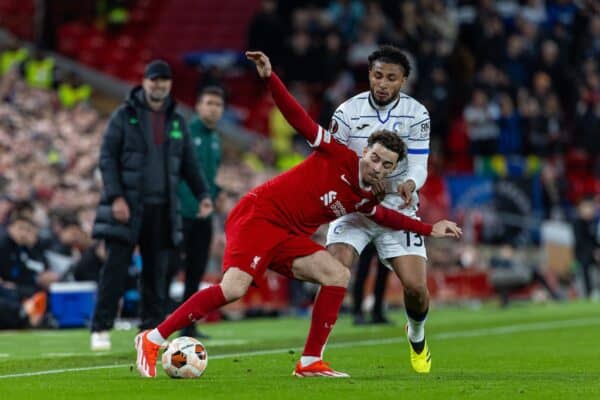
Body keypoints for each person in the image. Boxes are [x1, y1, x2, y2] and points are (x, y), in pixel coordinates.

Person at [134, 51, 461, 378]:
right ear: (365, 151)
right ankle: (152, 338)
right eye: (374, 157)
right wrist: (270, 78)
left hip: (286, 235)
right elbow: (296, 116)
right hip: (259, 216)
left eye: (385, 165)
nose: (377, 166)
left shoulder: (363, 199)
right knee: (234, 289)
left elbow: (389, 218)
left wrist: (430, 228)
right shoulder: (336, 153)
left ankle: (309, 361)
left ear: (391, 170)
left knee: (337, 275)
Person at [325, 45, 435, 373]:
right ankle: (313, 355)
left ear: (403, 81)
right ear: (369, 75)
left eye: (391, 78)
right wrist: (356, 185)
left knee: (416, 289)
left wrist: (411, 185)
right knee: (333, 270)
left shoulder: (417, 114)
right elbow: (331, 162)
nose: (382, 84)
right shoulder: (346, 112)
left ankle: (415, 332)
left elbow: (419, 165)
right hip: (355, 204)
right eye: (377, 76)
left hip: (396, 204)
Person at [90, 60, 213, 351]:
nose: (159, 85)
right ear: (144, 82)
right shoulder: (124, 115)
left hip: (162, 208)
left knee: (156, 273)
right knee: (115, 268)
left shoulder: (177, 119)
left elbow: (189, 164)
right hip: (128, 206)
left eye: (164, 80)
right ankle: (100, 327)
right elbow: (107, 158)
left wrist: (203, 194)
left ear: (170, 84)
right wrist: (116, 197)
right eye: (154, 80)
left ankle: (150, 331)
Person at [177, 85, 225, 338]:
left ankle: (188, 325)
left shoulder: (216, 139)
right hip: (181, 212)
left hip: (204, 215)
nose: (214, 109)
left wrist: (218, 193)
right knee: (168, 267)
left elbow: (209, 177)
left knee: (195, 271)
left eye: (218, 105)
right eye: (209, 103)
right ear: (197, 106)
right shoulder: (184, 133)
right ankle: (152, 321)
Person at [352, 243, 391, 325]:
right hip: (369, 235)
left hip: (384, 236)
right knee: (362, 273)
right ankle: (358, 313)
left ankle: (377, 313)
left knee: (382, 276)